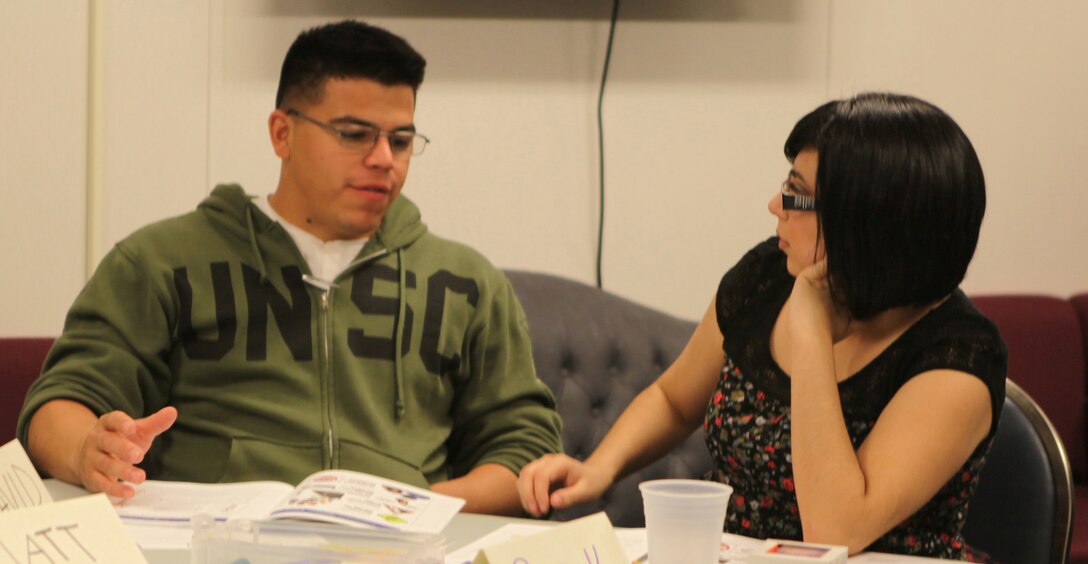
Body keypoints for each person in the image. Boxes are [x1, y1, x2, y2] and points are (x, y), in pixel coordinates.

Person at [17, 20, 562, 516]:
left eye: (400, 140)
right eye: (355, 134)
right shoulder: (161, 260)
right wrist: (88, 449)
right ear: (283, 133)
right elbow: (59, 405)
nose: (384, 159)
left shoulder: (466, 282)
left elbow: (526, 450)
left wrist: (407, 510)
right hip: (211, 544)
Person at [517, 93, 1007, 558]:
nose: (775, 205)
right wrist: (597, 469)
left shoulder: (957, 356)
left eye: (796, 194)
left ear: (866, 226)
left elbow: (835, 529)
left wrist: (811, 328)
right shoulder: (767, 276)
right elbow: (673, 399)